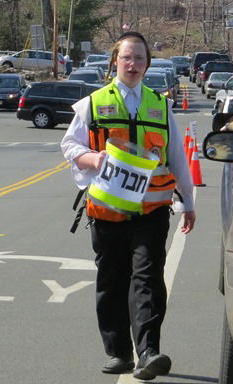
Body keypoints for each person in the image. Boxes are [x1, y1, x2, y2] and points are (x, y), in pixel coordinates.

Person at [61, 31, 197, 380]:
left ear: (148, 64)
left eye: (139, 58)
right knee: (112, 281)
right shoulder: (92, 104)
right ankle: (118, 352)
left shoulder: (160, 105)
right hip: (107, 212)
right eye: (126, 58)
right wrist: (93, 158)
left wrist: (189, 202)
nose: (133, 64)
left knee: (148, 278)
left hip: (151, 212)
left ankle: (149, 350)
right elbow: (70, 146)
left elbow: (177, 157)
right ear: (114, 63)